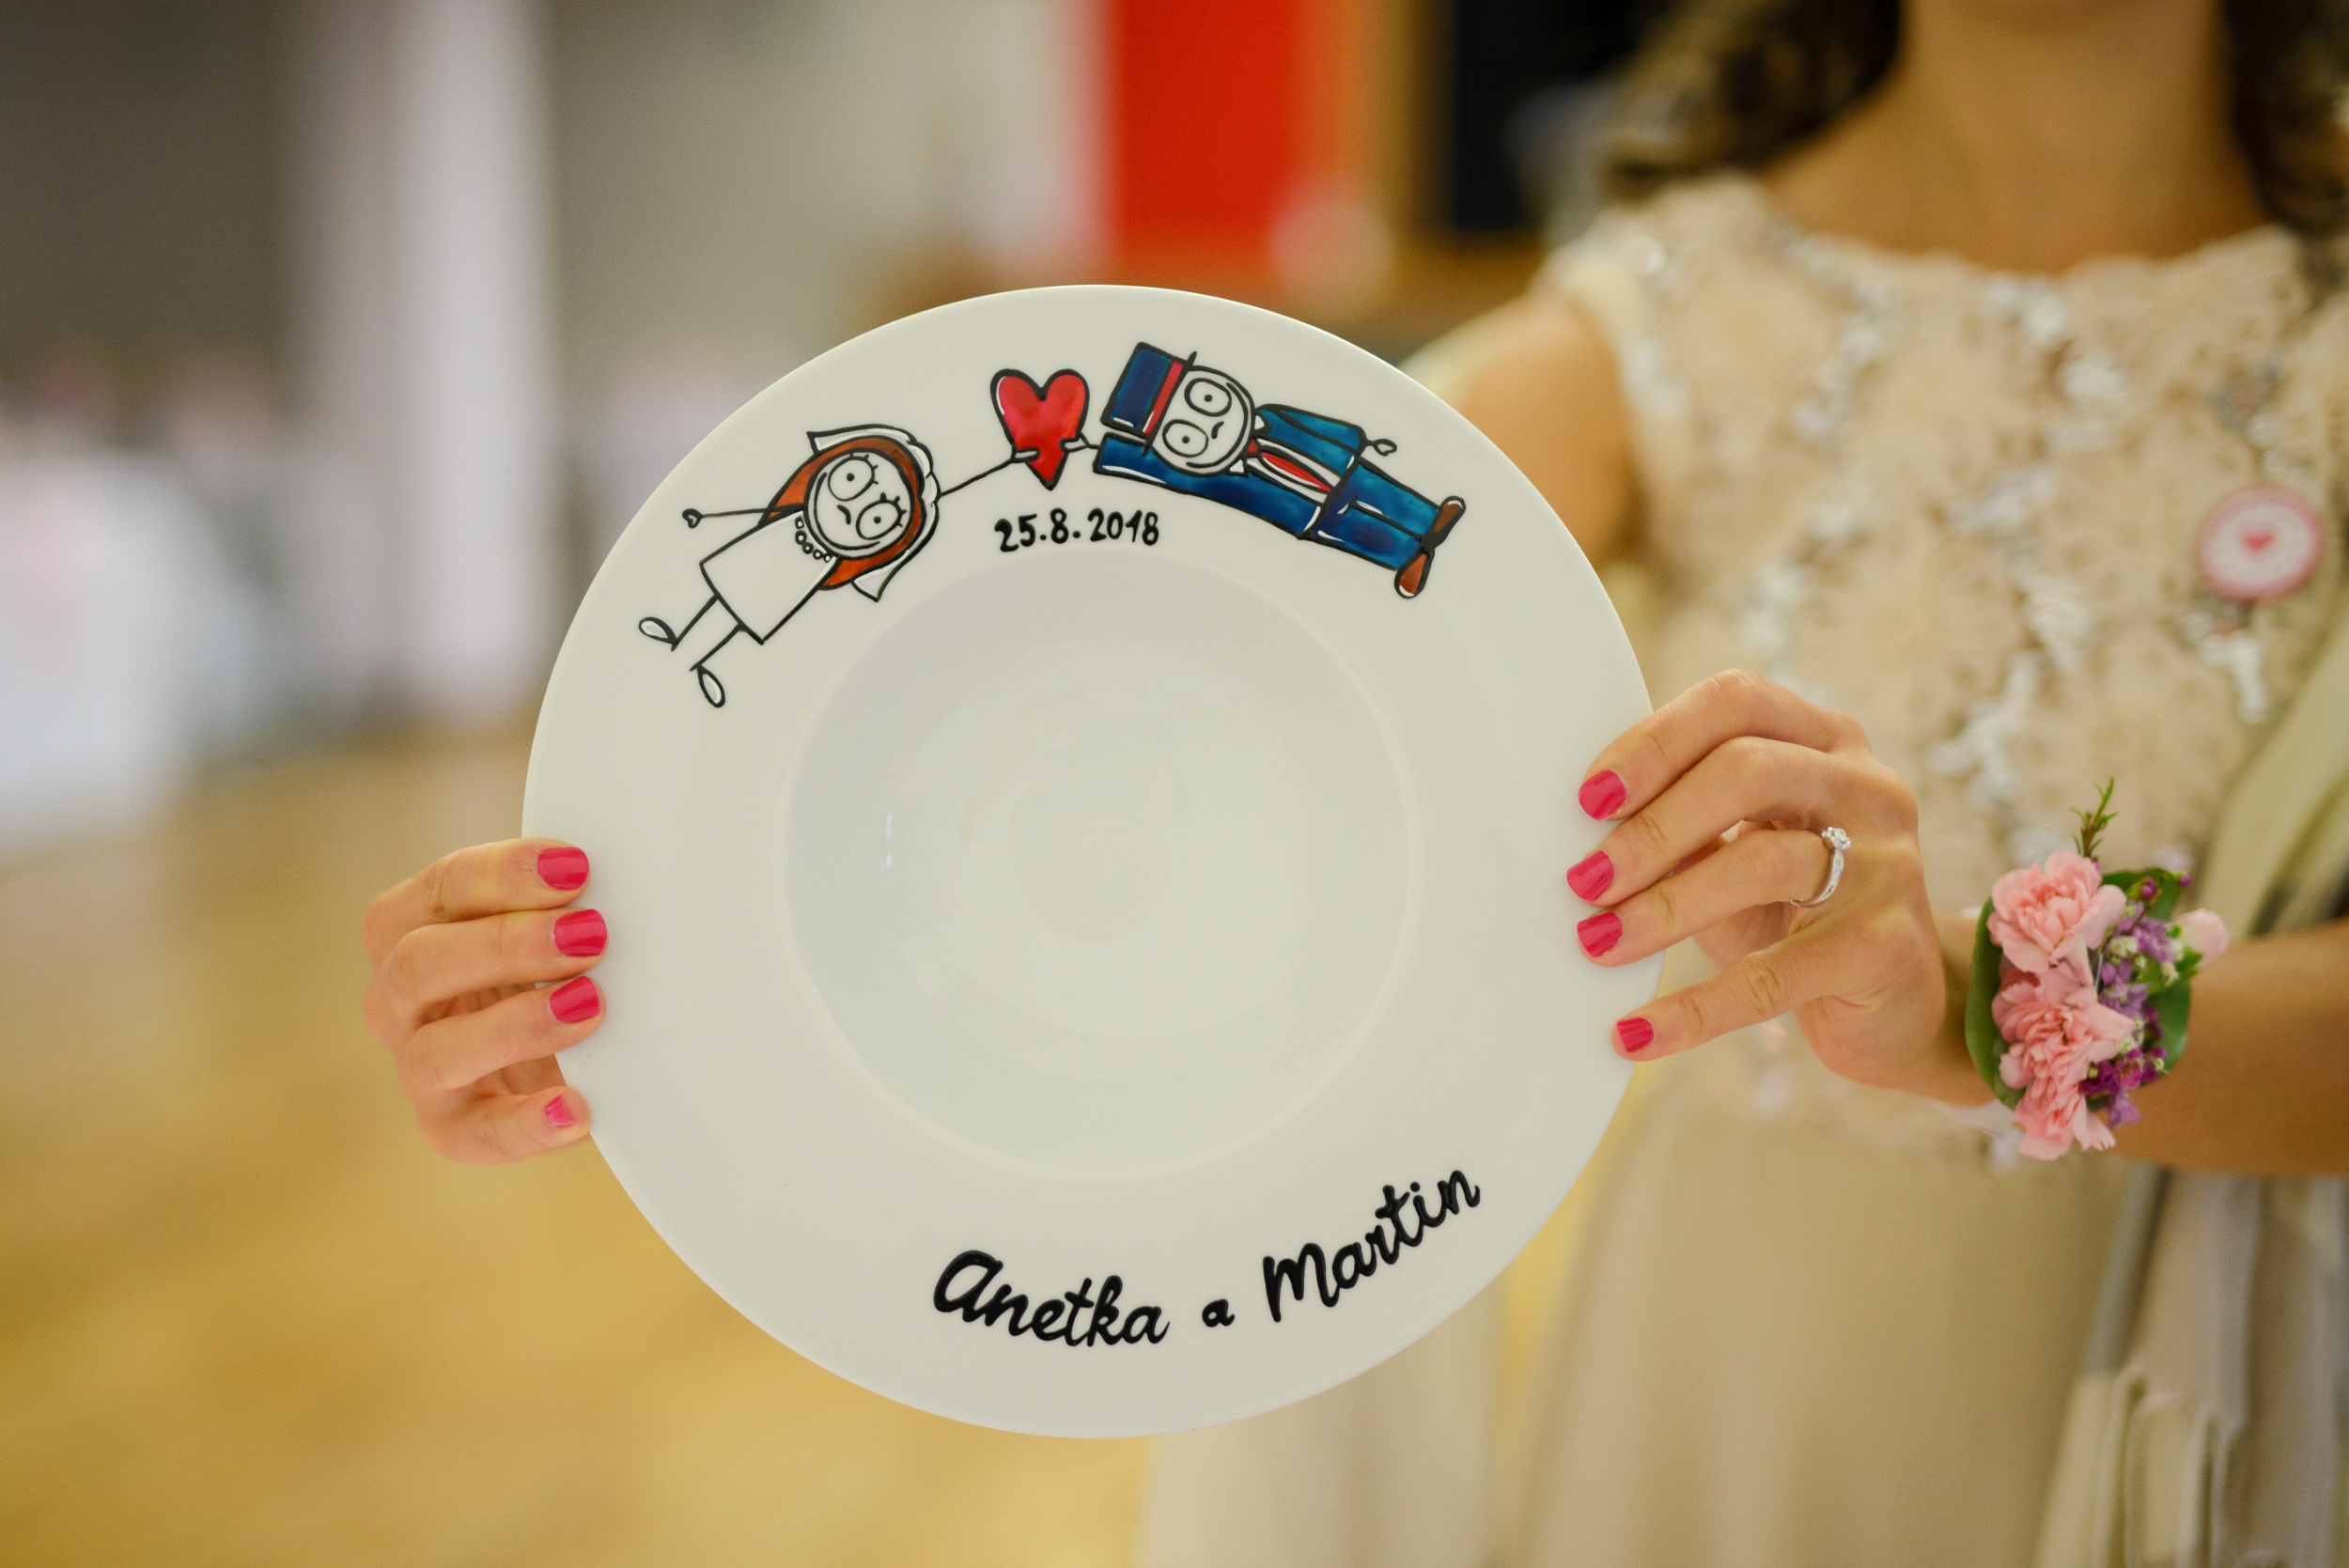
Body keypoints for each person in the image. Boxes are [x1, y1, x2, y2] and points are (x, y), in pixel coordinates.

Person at [360, 0, 2349, 1554]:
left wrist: (1978, 1004)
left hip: (2219, 1345)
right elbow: (1169, 626)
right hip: (1729, 1361)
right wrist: (617, 957)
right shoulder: (1681, 318)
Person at [1093, 342, 1468, 597]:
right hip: (1309, 516)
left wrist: (1358, 438)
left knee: (1382, 492)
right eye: (1186, 437)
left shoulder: (1272, 413)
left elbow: (1313, 423)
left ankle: (1430, 517)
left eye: (1206, 398)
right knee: (1359, 533)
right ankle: (1406, 557)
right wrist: (1104, 450)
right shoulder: (1216, 481)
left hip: (1343, 468)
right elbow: (1163, 476)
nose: (1212, 426)